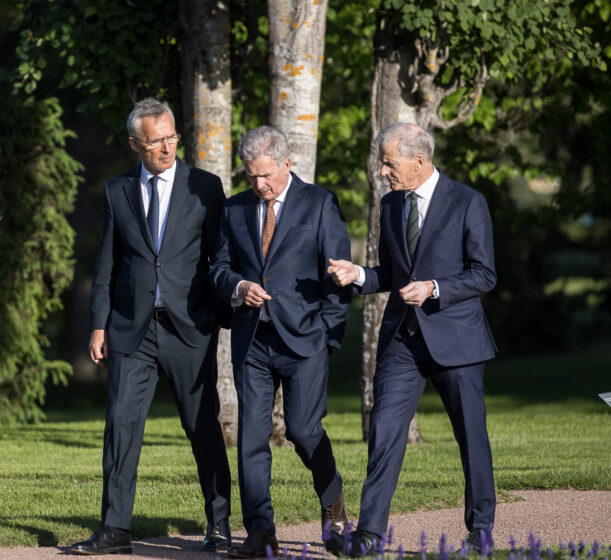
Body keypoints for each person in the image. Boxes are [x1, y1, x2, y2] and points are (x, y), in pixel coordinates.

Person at [326, 122, 497, 556]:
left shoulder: (468, 202)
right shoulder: (390, 206)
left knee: (470, 437)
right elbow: (391, 273)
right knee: (383, 432)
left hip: (457, 341)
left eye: (389, 163)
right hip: (403, 340)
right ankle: (368, 537)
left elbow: (484, 273)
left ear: (419, 161)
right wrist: (358, 275)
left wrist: (434, 288)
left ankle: (480, 533)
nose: (382, 171)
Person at [73, 98, 233, 555]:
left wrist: (220, 315)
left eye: (171, 136)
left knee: (202, 427)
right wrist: (98, 325)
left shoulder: (205, 186)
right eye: (155, 139)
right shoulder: (116, 190)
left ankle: (218, 523)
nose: (166, 146)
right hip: (130, 331)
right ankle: (115, 529)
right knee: (121, 428)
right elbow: (107, 263)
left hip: (190, 329)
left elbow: (219, 258)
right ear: (135, 144)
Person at [209, 126, 352, 559]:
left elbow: (338, 278)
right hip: (252, 339)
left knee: (303, 431)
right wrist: (237, 288)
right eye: (251, 176)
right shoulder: (234, 209)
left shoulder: (320, 203)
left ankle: (333, 504)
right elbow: (217, 268)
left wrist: (329, 335)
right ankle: (260, 531)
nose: (259, 184)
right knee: (251, 437)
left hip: (305, 339)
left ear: (288, 163)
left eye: (266, 175)